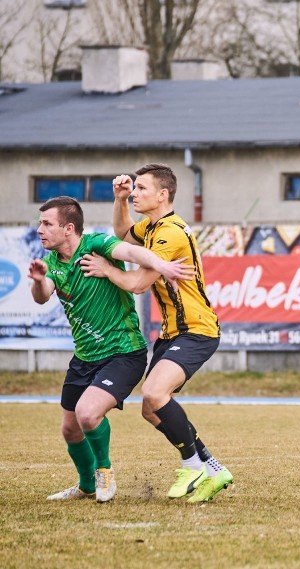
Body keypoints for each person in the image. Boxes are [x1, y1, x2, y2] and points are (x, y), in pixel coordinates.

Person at [82, 163, 233, 503]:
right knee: (151, 408)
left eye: (141, 189)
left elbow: (137, 284)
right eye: (133, 188)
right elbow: (122, 234)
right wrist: (120, 201)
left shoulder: (170, 233)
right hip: (173, 333)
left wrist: (106, 269)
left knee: (153, 392)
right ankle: (213, 467)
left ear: (163, 195)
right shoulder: (151, 227)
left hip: (196, 330)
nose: (135, 192)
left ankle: (191, 465)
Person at [29, 196, 191, 502]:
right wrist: (38, 281)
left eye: (47, 223)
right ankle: (86, 485)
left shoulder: (96, 244)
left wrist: (162, 265)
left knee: (87, 414)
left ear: (69, 228)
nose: (40, 229)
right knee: (70, 429)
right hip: (84, 356)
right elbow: (41, 296)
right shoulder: (51, 263)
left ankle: (105, 473)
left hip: (123, 353)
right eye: (40, 223)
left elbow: (130, 250)